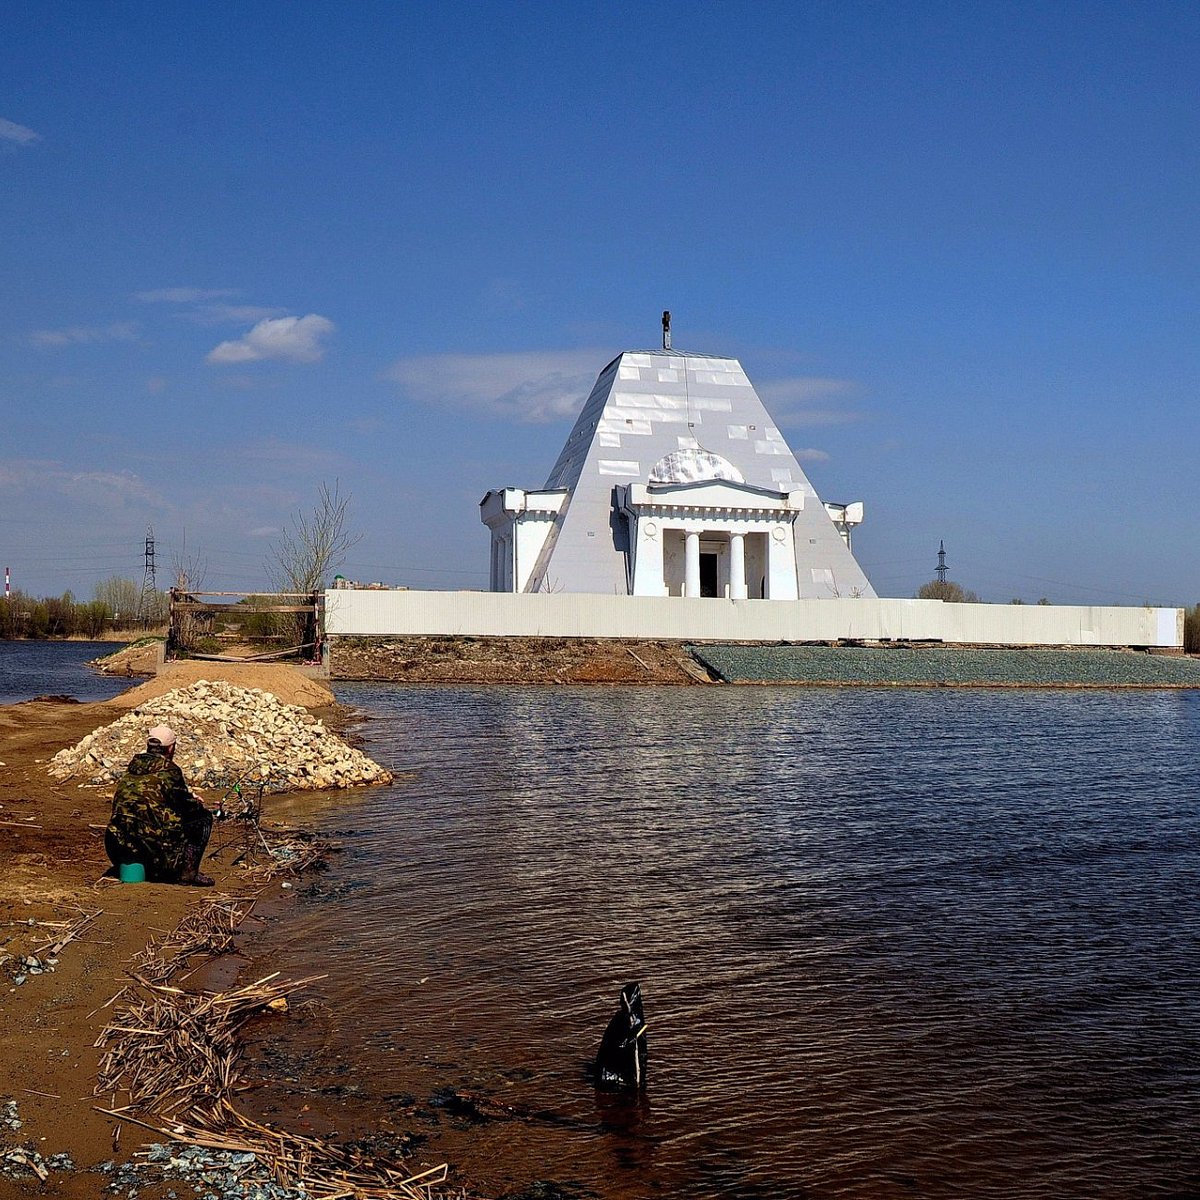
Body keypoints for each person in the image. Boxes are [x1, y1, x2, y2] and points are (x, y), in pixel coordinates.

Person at [105, 725, 214, 886]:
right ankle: (188, 873)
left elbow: (152, 797)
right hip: (154, 847)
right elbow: (187, 806)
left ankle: (146, 867)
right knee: (203, 818)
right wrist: (196, 802)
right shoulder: (169, 771)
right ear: (170, 748)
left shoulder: (133, 767)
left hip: (117, 844)